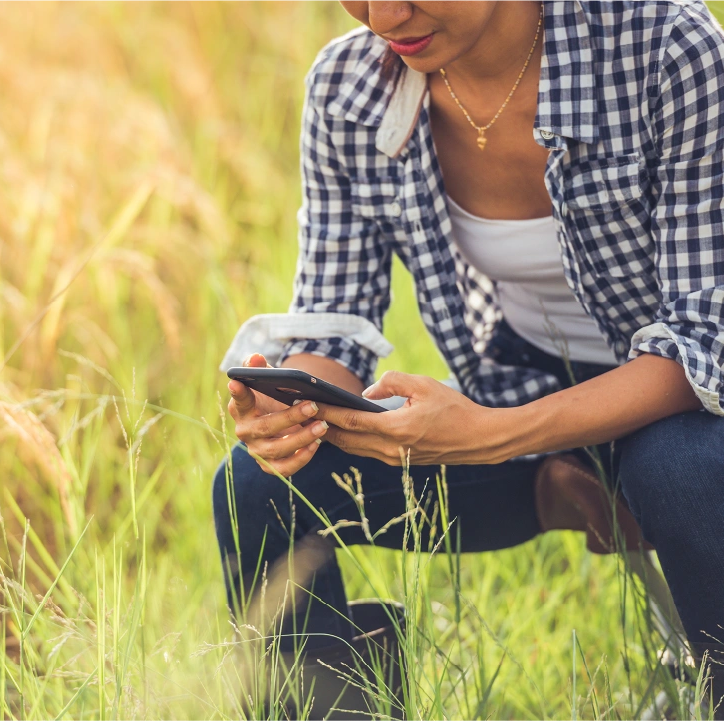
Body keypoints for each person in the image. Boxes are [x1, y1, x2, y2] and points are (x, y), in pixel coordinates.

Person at [212, 0, 724, 716]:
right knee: (258, 484)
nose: (383, 15)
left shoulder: (662, 44)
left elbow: (705, 337)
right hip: (522, 390)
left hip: (686, 412)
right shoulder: (349, 86)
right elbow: (334, 319)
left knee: (679, 469)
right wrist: (295, 408)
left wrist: (494, 435)